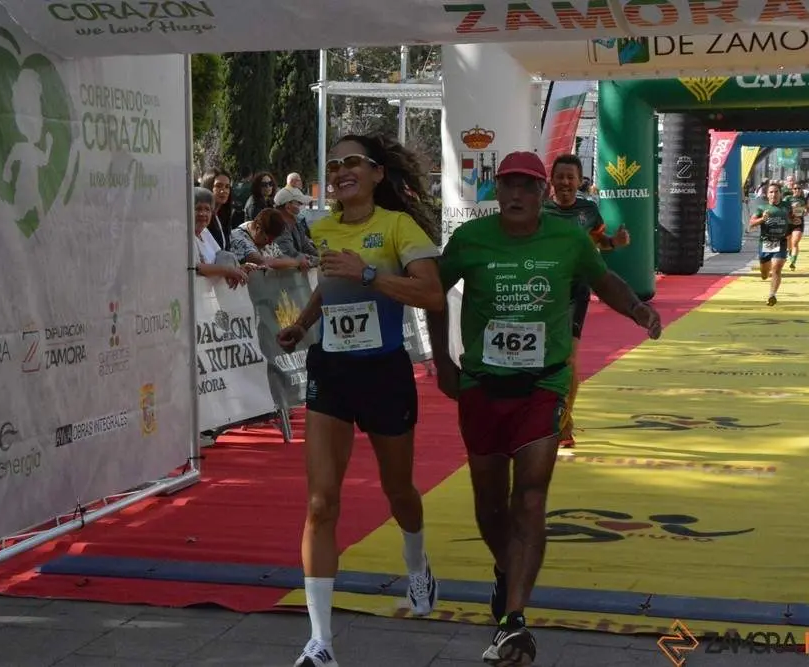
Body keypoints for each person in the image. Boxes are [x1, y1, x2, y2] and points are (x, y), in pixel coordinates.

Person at [425, 151, 662, 665]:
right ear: (497, 192)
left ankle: (513, 621)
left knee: (530, 497)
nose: (515, 195)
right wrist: (442, 360)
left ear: (542, 195)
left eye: (526, 188)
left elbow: (604, 281)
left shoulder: (570, 237)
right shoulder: (470, 240)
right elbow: (433, 293)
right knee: (490, 503)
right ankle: (508, 570)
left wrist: (638, 308)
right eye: (507, 186)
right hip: (483, 385)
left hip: (543, 385)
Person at [277, 133, 444, 667]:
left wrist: (370, 273)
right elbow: (330, 287)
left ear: (376, 174)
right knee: (321, 502)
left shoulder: (399, 226)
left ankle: (416, 564)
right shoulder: (320, 227)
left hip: (384, 374)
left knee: (399, 491)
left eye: (353, 161)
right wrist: (302, 325)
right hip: (331, 369)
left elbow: (432, 294)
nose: (342, 169)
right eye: (334, 163)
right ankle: (320, 641)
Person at [545, 154, 629, 449]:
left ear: (580, 181)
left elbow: (599, 242)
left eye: (571, 177)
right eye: (560, 176)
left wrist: (613, 243)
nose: (565, 182)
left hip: (575, 291)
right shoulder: (539, 210)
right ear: (551, 180)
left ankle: (563, 422)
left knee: (567, 359)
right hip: (541, 291)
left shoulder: (589, 210)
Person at [749, 183, 794, 307]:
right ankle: (764, 272)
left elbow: (792, 218)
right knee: (764, 274)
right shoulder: (762, 208)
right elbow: (751, 223)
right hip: (766, 242)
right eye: (771, 192)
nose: (774, 194)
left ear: (780, 193)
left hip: (781, 241)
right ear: (767, 195)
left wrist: (795, 220)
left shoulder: (786, 206)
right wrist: (762, 220)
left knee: (777, 268)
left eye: (776, 192)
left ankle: (772, 294)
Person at [192, 187, 247, 288]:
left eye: (207, 209)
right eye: (198, 208)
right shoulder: (184, 236)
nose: (202, 214)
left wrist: (238, 267)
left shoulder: (205, 232)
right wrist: (228, 270)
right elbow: (196, 267)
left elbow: (220, 255)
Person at [230, 208, 305, 271]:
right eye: (267, 239)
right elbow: (260, 261)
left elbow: (281, 257)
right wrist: (296, 262)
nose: (269, 243)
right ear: (258, 228)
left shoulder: (268, 238)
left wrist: (301, 260)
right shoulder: (238, 238)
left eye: (273, 240)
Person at [274, 186, 319, 268]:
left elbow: (307, 247)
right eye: (299, 203)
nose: (303, 207)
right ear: (288, 206)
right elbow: (292, 255)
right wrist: (320, 260)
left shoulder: (296, 225)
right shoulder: (277, 227)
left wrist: (323, 256)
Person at [199, 168, 234, 250]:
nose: (223, 191)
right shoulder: (202, 218)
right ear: (208, 186)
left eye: (227, 187)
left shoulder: (224, 215)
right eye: (218, 186)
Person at [783, 182, 808, 271]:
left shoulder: (803, 199)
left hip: (798, 222)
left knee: (795, 242)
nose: (797, 190)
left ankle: (793, 262)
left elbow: (807, 210)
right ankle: (790, 252)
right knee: (788, 242)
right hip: (788, 223)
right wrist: (792, 207)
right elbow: (782, 208)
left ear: (801, 190)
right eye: (795, 188)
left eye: (799, 188)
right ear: (792, 190)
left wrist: (805, 211)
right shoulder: (787, 198)